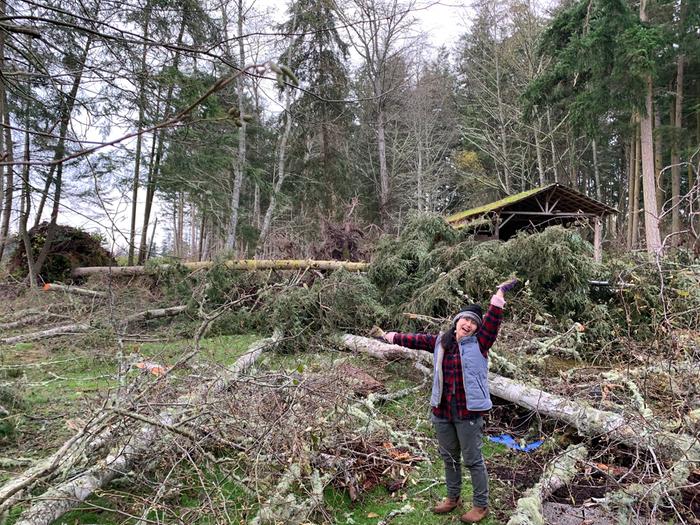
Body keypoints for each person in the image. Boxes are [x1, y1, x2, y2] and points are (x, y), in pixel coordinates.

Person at [382, 279, 516, 523]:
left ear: (477, 328)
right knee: (449, 457)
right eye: (466, 319)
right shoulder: (440, 342)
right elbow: (416, 339)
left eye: (474, 323)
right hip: (442, 411)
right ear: (457, 321)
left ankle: (480, 505)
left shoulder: (480, 343)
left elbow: (493, 322)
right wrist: (393, 336)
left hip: (468, 413)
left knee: (473, 460)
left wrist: (499, 295)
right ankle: (452, 498)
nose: (469, 324)